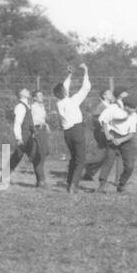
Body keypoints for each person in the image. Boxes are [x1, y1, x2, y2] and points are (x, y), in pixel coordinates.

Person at [53, 62, 91, 193]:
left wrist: (70, 74)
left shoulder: (59, 104)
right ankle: (73, 185)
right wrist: (86, 71)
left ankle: (70, 181)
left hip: (67, 133)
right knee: (81, 160)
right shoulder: (73, 101)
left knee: (74, 158)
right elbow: (85, 88)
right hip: (77, 130)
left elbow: (64, 87)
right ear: (64, 92)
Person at [96, 96, 137, 193]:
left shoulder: (134, 115)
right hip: (113, 135)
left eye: (135, 107)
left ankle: (121, 184)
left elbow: (132, 133)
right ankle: (101, 186)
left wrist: (120, 140)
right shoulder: (115, 110)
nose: (135, 109)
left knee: (130, 166)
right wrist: (107, 134)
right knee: (109, 161)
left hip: (126, 139)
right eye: (133, 107)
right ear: (127, 107)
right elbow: (104, 120)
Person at [83, 87, 123, 186]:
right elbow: (95, 120)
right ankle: (82, 163)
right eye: (109, 93)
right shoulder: (102, 106)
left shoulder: (112, 105)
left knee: (105, 155)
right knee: (114, 154)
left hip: (108, 133)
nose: (111, 95)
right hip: (102, 133)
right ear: (104, 96)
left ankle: (88, 172)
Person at [7, 88, 36, 183]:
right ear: (21, 94)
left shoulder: (27, 105)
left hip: (28, 134)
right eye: (26, 90)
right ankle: (41, 180)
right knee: (33, 156)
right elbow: (17, 123)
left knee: (18, 156)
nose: (28, 91)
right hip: (24, 135)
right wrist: (19, 138)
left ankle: (41, 180)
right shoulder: (20, 106)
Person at [29, 90, 51, 188]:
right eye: (40, 95)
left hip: (43, 130)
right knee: (39, 155)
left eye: (42, 95)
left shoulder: (42, 107)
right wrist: (34, 132)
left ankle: (40, 180)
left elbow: (42, 119)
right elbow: (31, 120)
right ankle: (41, 180)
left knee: (44, 153)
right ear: (34, 98)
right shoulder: (33, 107)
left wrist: (46, 125)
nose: (42, 97)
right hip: (37, 130)